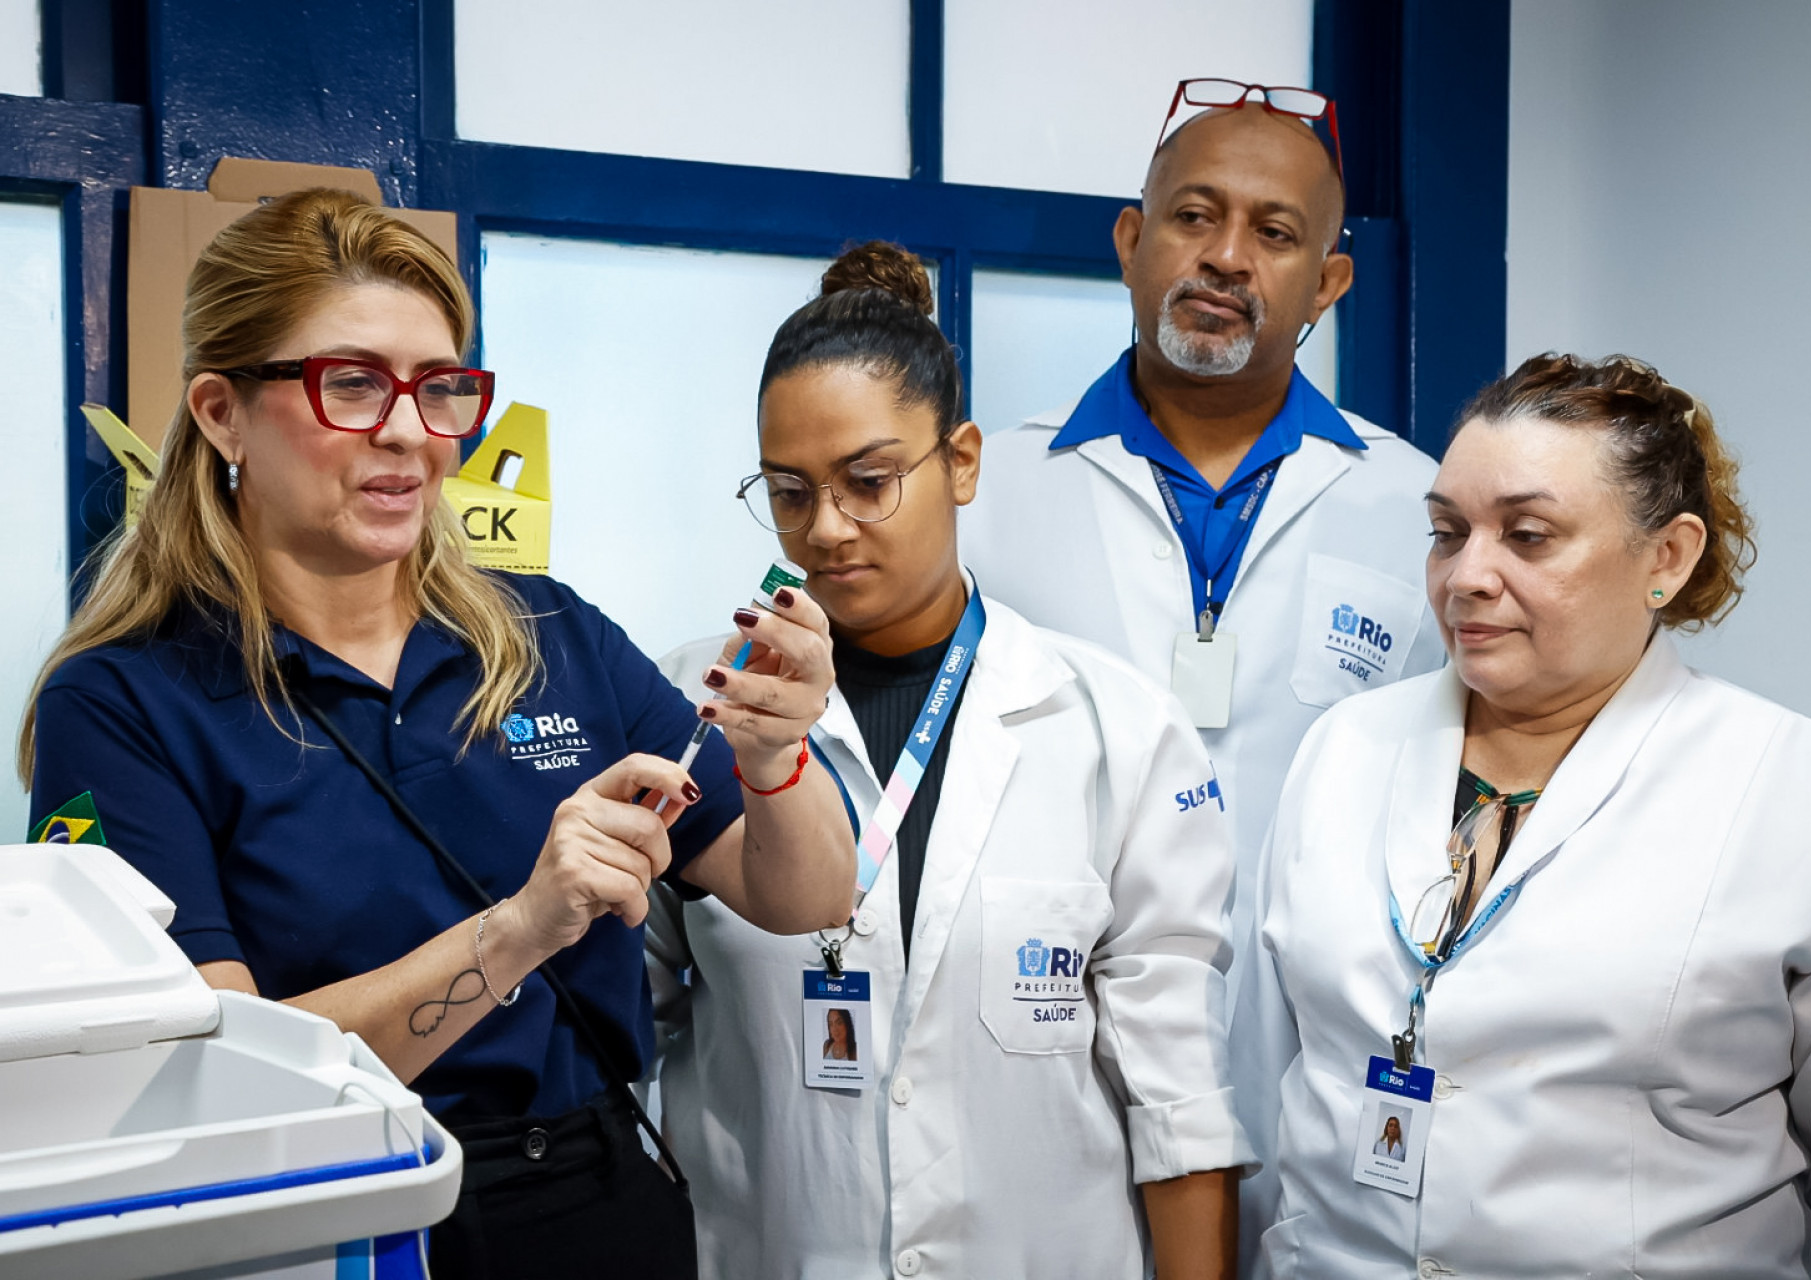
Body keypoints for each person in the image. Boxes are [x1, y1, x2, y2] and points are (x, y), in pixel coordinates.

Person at [21, 189, 855, 1280]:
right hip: (323, 1223)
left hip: (598, 1199)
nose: (411, 431)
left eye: (439, 386)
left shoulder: (549, 631)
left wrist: (774, 756)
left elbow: (807, 896)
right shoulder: (127, 701)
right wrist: (520, 926)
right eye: (354, 383)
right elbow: (208, 1067)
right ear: (222, 411)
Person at [1232, 353, 1811, 1278]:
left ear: (1666, 558)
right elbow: (1272, 1079)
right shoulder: (1344, 750)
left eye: (1528, 536)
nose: (1467, 576)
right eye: (1447, 532)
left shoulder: (1799, 788)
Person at [647, 242, 1251, 1279]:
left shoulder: (1114, 728)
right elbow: (624, 1042)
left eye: (870, 481)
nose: (826, 529)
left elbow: (1179, 1106)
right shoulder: (690, 710)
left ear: (962, 460)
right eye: (789, 491)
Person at [959, 82, 1446, 1008]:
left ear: (1328, 285)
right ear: (1131, 244)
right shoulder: (987, 491)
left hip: (1312, 1044)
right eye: (1193, 216)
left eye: (1274, 233)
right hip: (1046, 1022)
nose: (1226, 257)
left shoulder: (1417, 509)